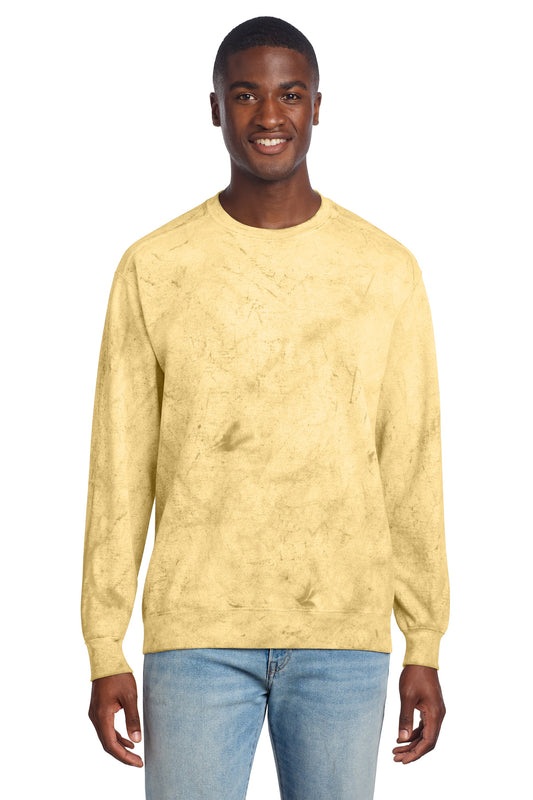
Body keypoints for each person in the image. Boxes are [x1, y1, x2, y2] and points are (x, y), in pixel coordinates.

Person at [81, 15, 450, 800]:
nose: (268, 115)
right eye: (245, 94)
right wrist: (104, 646)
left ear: (317, 106)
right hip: (195, 637)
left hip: (342, 637)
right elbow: (119, 466)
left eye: (289, 94)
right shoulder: (156, 266)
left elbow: (410, 459)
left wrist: (423, 637)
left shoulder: (383, 269)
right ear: (215, 107)